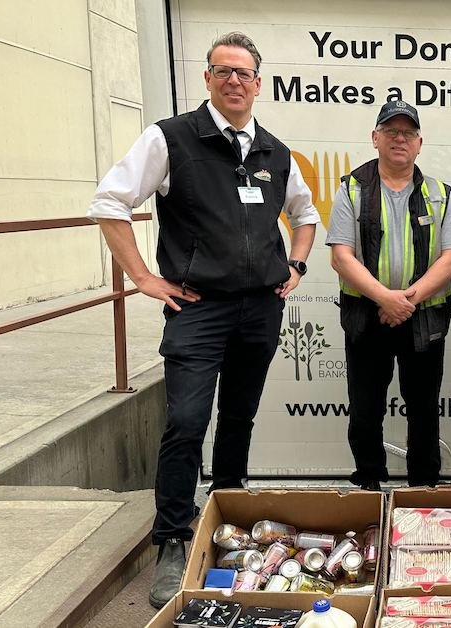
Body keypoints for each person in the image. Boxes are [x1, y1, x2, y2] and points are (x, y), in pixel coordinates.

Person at [87, 32, 318, 608]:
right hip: (198, 308)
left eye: (245, 73)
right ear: (208, 79)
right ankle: (172, 539)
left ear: (259, 84)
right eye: (224, 71)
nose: (235, 81)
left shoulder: (274, 151)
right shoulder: (173, 139)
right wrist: (143, 277)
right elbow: (110, 202)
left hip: (260, 308)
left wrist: (296, 263)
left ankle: (231, 530)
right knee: (187, 422)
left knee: (238, 419)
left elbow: (306, 214)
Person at [327, 101, 451, 491]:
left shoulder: (439, 193)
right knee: (365, 411)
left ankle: (423, 489)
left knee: (423, 412)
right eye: (390, 131)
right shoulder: (351, 189)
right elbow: (341, 256)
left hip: (424, 320)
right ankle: (369, 486)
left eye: (407, 133)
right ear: (375, 138)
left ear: (420, 143)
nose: (399, 139)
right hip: (367, 319)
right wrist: (385, 298)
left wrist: (405, 301)